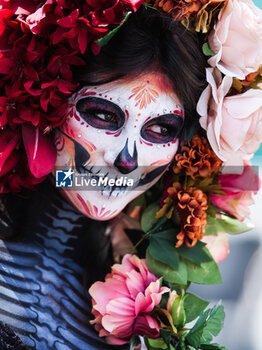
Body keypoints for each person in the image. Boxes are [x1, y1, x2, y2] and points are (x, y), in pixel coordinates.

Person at [0, 6, 205, 350]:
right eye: (102, 114)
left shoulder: (149, 309)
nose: (127, 160)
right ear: (44, 101)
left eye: (159, 129)